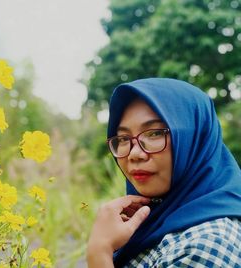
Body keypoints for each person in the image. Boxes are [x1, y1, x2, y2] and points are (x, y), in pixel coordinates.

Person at [87, 78, 241, 267]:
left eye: (155, 133)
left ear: (195, 140)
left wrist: (99, 252)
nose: (134, 154)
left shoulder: (208, 244)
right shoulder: (148, 223)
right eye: (123, 138)